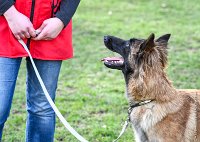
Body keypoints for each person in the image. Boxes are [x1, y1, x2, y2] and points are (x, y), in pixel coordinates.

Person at [0, 0, 80, 141]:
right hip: (5, 22)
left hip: (51, 26)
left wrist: (61, 19)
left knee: (42, 110)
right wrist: (10, 13)